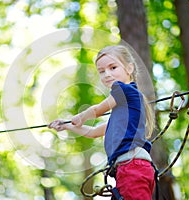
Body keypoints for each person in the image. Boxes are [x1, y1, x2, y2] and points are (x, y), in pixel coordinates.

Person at [48, 45, 156, 199]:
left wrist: (81, 116)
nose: (107, 74)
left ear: (129, 68)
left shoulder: (124, 90)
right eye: (102, 71)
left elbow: (99, 109)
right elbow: (92, 132)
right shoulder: (123, 115)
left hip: (131, 166)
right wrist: (66, 126)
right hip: (130, 168)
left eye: (113, 67)